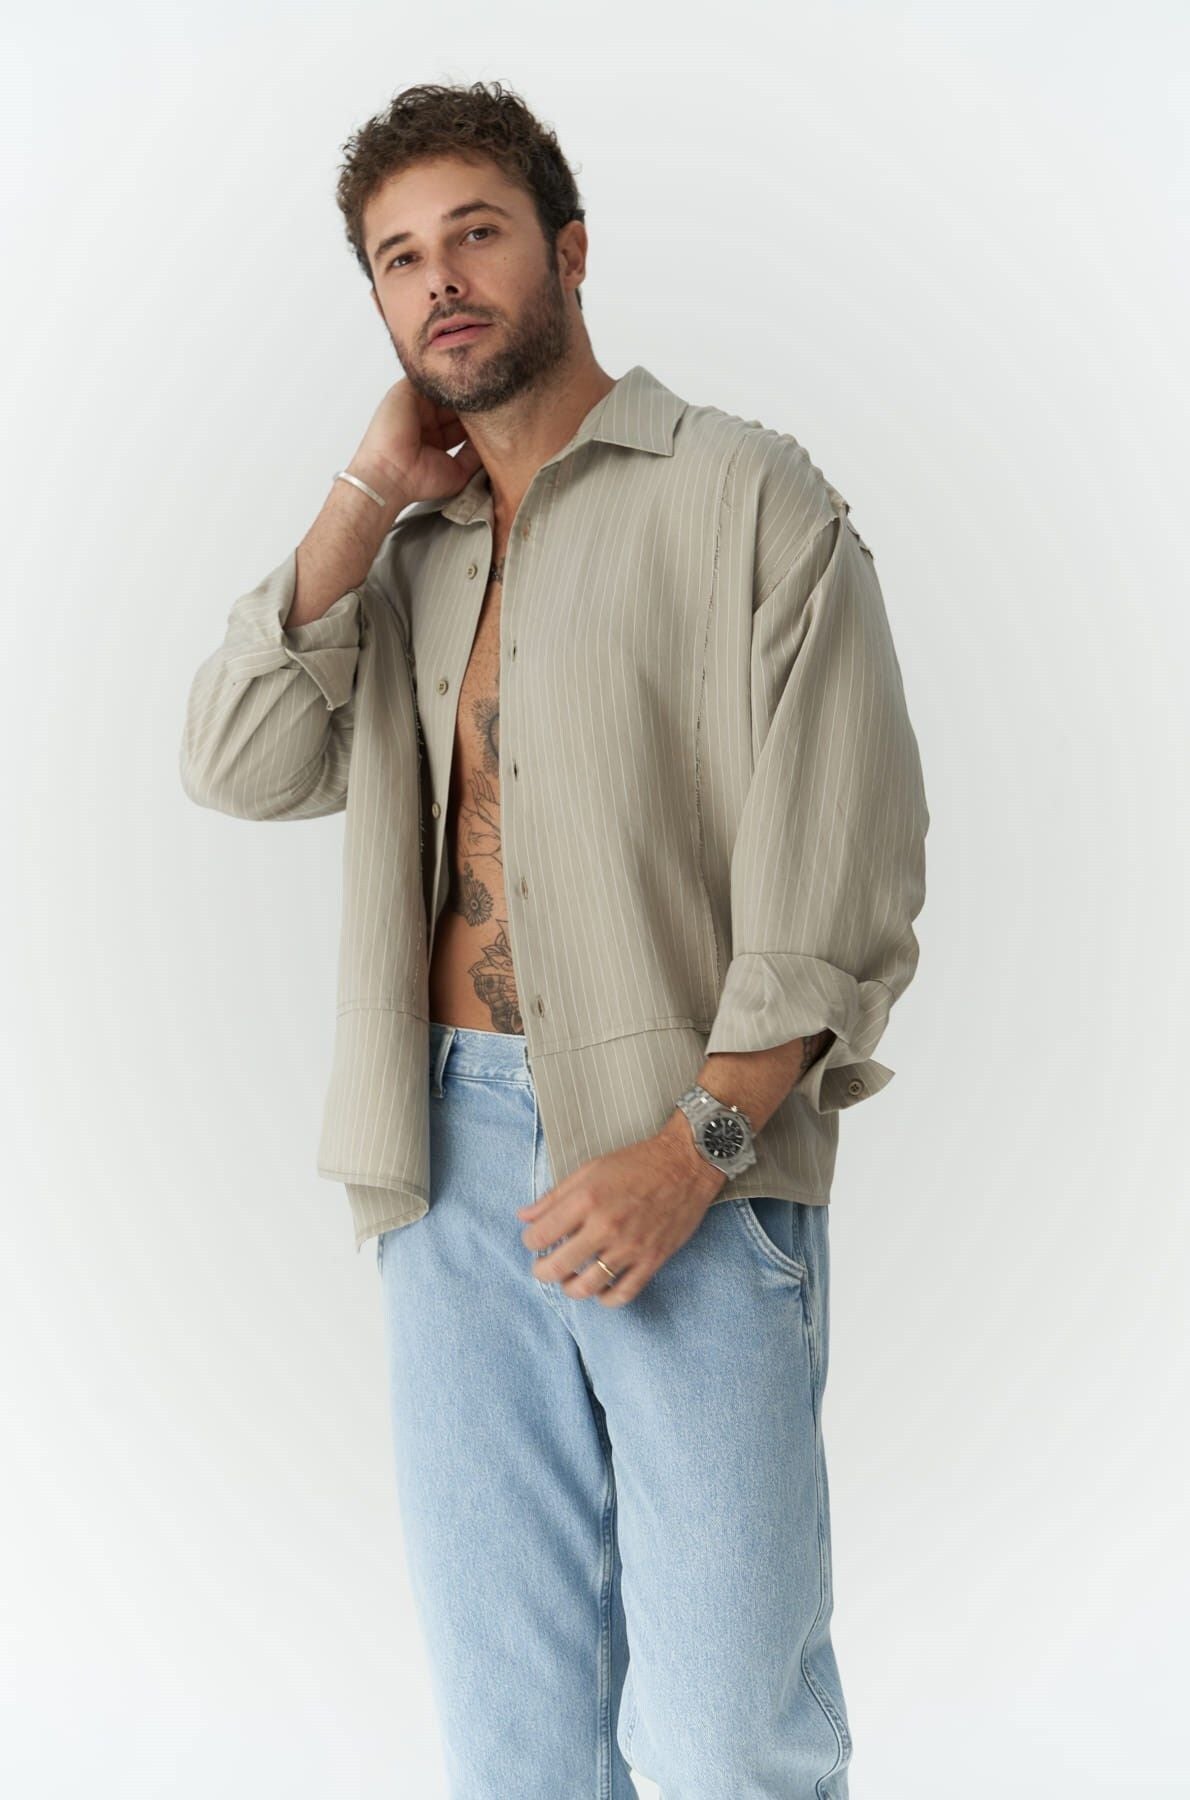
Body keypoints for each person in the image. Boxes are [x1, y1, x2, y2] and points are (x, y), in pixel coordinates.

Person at [181, 78, 929, 1800]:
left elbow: (849, 863)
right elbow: (235, 760)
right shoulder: (410, 556)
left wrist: (698, 1145)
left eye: (477, 234)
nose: (441, 280)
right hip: (443, 1160)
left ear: (569, 253)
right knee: (515, 1737)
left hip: (688, 1145)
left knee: (732, 1728)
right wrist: (364, 492)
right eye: (399, 258)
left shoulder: (746, 494)